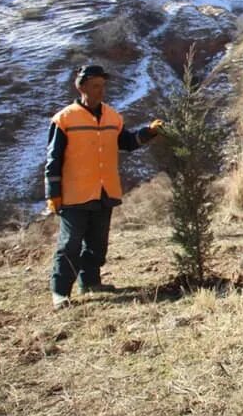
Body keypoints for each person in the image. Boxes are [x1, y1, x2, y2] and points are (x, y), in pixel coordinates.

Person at [45, 64, 163, 310]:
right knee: (70, 244)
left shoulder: (112, 117)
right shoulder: (64, 119)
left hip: (104, 191)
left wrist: (149, 132)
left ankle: (90, 282)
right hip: (74, 194)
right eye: (95, 86)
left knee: (97, 243)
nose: (100, 91)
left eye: (102, 86)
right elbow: (53, 160)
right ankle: (60, 292)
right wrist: (53, 194)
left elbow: (127, 142)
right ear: (81, 87)